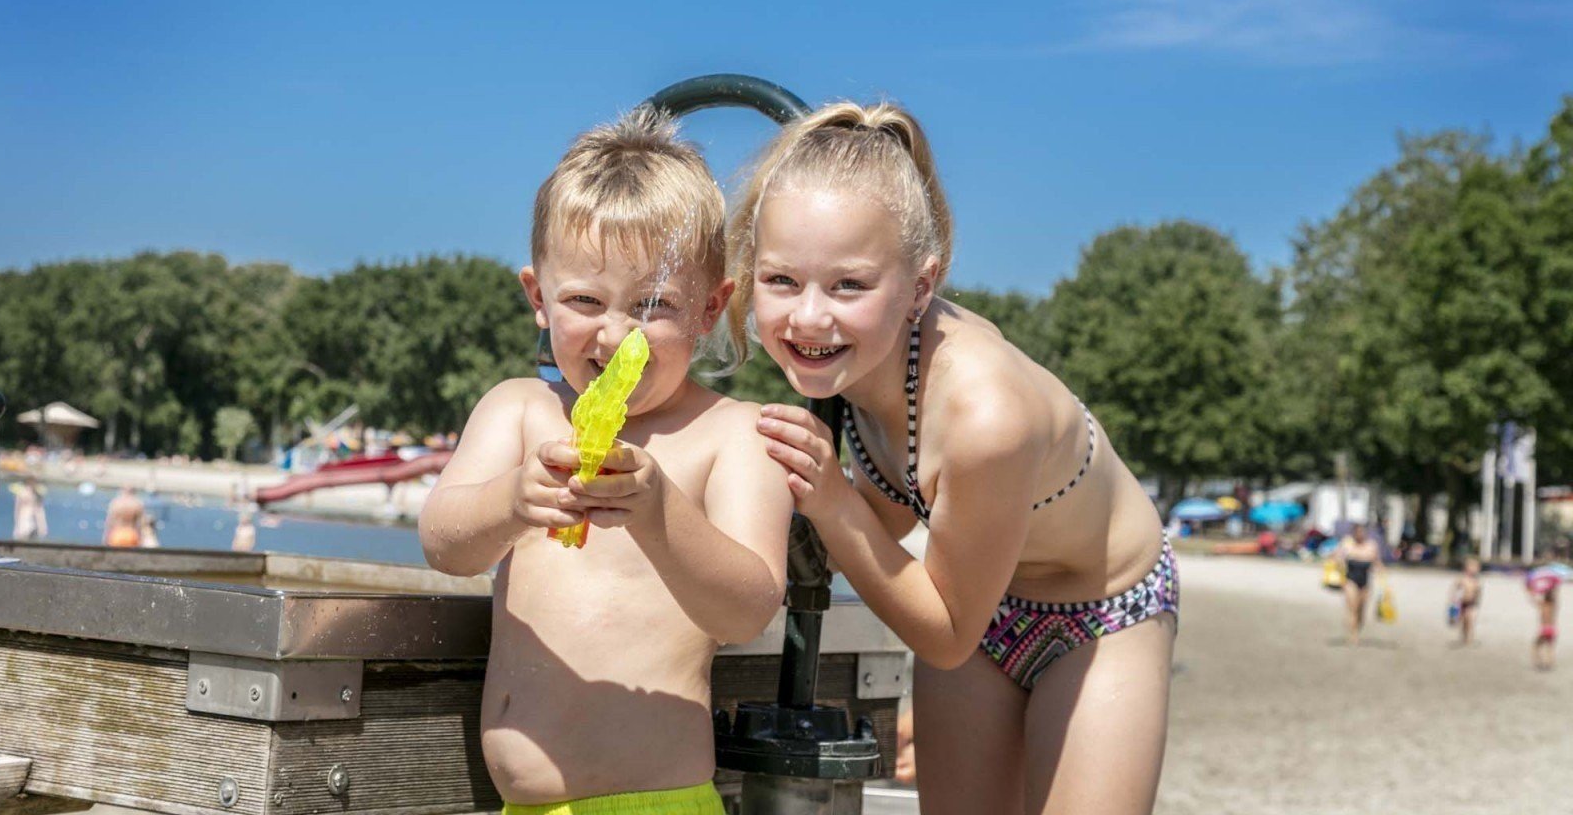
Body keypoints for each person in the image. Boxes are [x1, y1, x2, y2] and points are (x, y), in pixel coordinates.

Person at [727, 102, 1177, 815]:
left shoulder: (984, 414)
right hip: (978, 608)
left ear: (921, 285)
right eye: (781, 281)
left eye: (849, 285)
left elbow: (942, 634)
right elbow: (879, 527)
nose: (809, 318)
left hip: (1102, 615)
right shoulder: (851, 367)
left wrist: (835, 501)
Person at [419, 108, 791, 815]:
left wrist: (659, 514)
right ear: (538, 298)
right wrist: (509, 501)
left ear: (710, 309)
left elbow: (747, 611)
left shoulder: (734, 436)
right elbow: (444, 544)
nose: (617, 334)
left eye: (653, 306)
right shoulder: (519, 410)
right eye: (586, 300)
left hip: (658, 803)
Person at [1333, 522, 1382, 646]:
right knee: (1352, 608)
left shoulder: (1371, 545)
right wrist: (1339, 562)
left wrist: (1383, 576)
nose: (1360, 534)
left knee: (1362, 610)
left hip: (1365, 580)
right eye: (1358, 532)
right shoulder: (1347, 543)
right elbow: (1336, 557)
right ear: (1354, 533)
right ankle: (1353, 635)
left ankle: (1356, 628)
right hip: (1351, 579)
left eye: (1362, 532)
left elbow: (1377, 562)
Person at [1526, 560, 1560, 671]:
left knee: (1537, 645)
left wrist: (1532, 593)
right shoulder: (1554, 604)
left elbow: (1533, 599)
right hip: (1552, 628)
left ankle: (1537, 660)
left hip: (1544, 628)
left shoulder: (1543, 604)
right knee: (1550, 646)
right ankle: (1549, 662)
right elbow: (1555, 593)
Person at [1448, 555, 1482, 647]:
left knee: (1470, 619)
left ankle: (1469, 638)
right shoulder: (1462, 578)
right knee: (1462, 620)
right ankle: (1463, 635)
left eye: (1476, 567)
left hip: (1471, 603)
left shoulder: (1476, 580)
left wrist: (1477, 599)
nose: (1474, 569)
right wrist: (1453, 599)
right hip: (1461, 602)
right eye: (1472, 567)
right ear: (1466, 568)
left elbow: (1478, 591)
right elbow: (1455, 589)